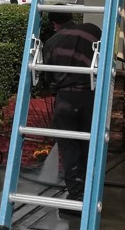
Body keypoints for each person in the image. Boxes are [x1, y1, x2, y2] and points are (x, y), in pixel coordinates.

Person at [42, 13, 102, 202]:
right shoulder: (92, 30)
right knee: (88, 143)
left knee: (69, 147)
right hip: (90, 96)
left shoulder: (52, 43)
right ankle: (89, 187)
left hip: (66, 99)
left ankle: (76, 193)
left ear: (54, 24)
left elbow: (47, 78)